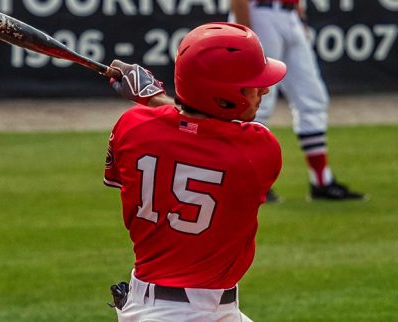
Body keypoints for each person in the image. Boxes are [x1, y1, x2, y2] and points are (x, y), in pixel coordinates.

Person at [104, 22, 286, 321]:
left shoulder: (132, 127)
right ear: (225, 95)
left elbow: (185, 130)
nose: (264, 88)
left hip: (154, 305)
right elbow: (203, 132)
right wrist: (152, 95)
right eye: (252, 83)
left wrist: (150, 99)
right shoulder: (259, 150)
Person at [229, 0, 365, 200]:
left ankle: (321, 180)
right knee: (257, 101)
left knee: (313, 99)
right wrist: (244, 30)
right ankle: (249, 179)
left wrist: (299, 17)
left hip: (288, 14)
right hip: (259, 14)